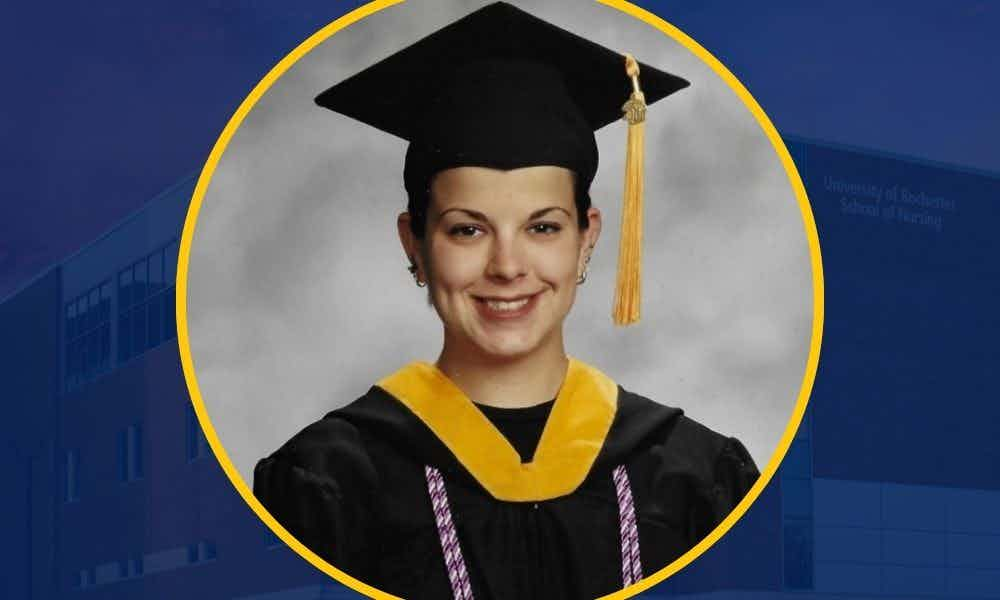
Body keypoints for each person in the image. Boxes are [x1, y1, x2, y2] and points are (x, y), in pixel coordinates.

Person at [253, 3, 759, 598]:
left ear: (587, 238)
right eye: (467, 229)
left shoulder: (698, 478)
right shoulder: (325, 484)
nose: (508, 266)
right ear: (414, 243)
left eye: (543, 227)